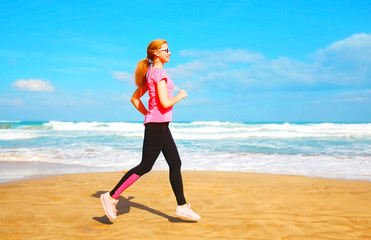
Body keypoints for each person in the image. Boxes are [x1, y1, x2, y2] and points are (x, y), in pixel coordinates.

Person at [100, 39, 201, 221]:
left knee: (175, 163)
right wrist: (180, 95)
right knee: (146, 165)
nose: (170, 53)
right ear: (156, 53)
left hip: (160, 123)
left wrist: (149, 114)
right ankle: (111, 196)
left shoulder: (151, 73)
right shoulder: (159, 73)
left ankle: (182, 206)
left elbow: (134, 99)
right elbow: (164, 102)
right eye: (166, 50)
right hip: (157, 124)